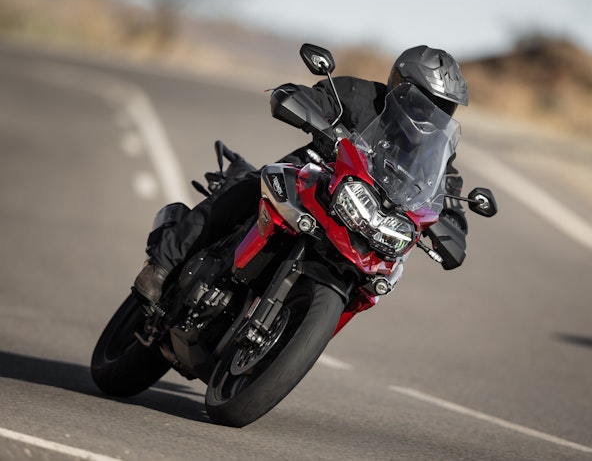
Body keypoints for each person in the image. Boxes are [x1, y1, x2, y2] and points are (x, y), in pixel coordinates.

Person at [133, 45, 470, 306]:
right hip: (310, 182)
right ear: (400, 85)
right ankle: (163, 265)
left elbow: (447, 191)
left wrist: (453, 222)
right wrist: (305, 108)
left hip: (363, 222)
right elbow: (314, 98)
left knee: (374, 278)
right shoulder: (361, 96)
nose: (433, 113)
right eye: (426, 100)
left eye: (444, 108)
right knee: (247, 190)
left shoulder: (433, 151)